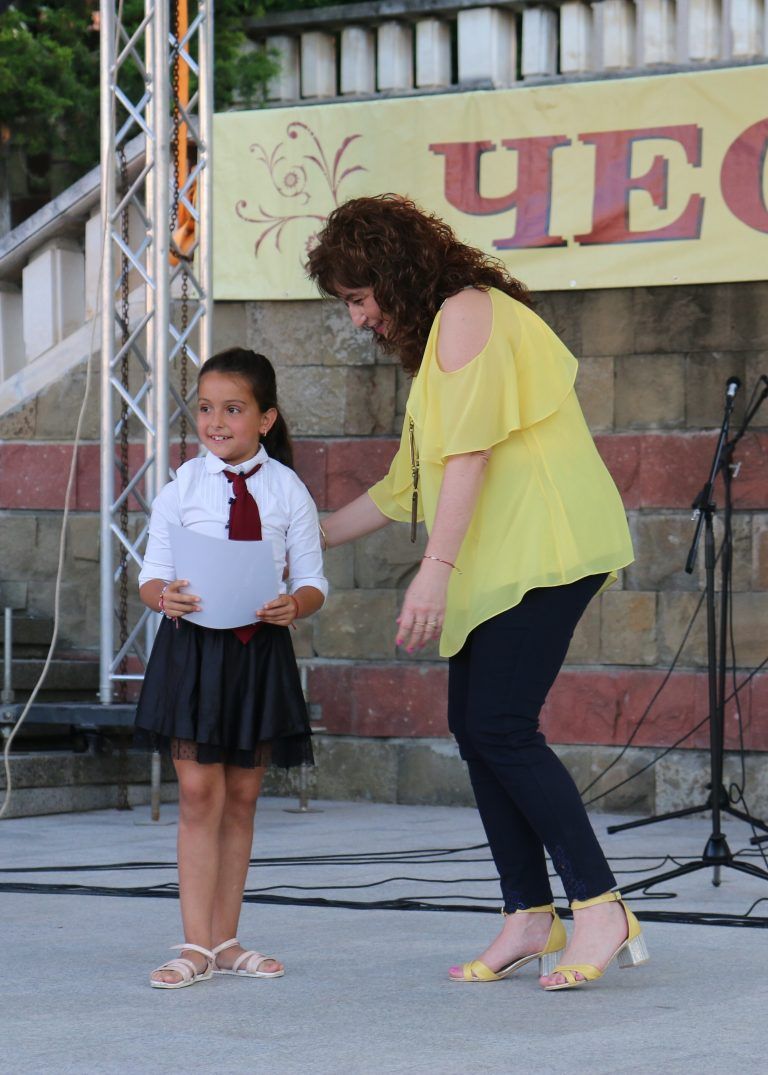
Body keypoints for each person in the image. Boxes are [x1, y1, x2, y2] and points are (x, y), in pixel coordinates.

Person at [307, 195, 648, 991]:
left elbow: (470, 459)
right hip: (502, 557)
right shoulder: (442, 341)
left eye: (359, 297)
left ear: (394, 273)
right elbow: (405, 484)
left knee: (500, 723)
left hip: (546, 545)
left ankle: (600, 905)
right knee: (478, 724)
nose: (358, 318)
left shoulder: (467, 312)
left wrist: (435, 569)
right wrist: (303, 535)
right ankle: (529, 914)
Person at [134, 347, 327, 989]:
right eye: (206, 408)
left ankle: (225, 941)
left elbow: (313, 580)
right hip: (191, 651)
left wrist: (295, 604)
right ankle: (193, 945)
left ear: (265, 418)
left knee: (242, 797)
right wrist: (163, 596)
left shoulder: (287, 489)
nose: (216, 422)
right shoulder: (181, 486)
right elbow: (150, 576)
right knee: (199, 793)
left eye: (234, 409)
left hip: (258, 651)